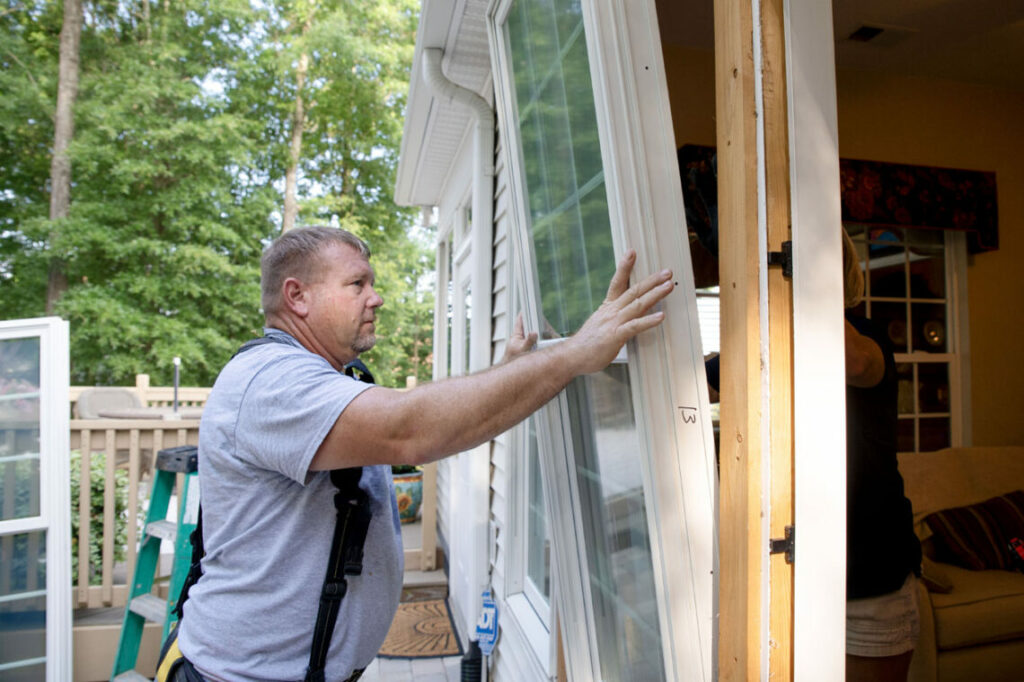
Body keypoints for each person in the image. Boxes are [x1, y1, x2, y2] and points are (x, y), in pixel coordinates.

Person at [173, 226, 675, 681]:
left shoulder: (317, 379)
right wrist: (573, 353)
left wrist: (513, 372)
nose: (378, 298)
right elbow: (409, 428)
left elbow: (431, 425)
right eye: (358, 285)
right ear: (297, 297)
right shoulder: (272, 382)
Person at [841, 227, 921, 682]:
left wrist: (797, 279)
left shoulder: (870, 341)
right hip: (799, 575)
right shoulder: (762, 342)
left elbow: (852, 362)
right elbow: (702, 381)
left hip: (873, 580)